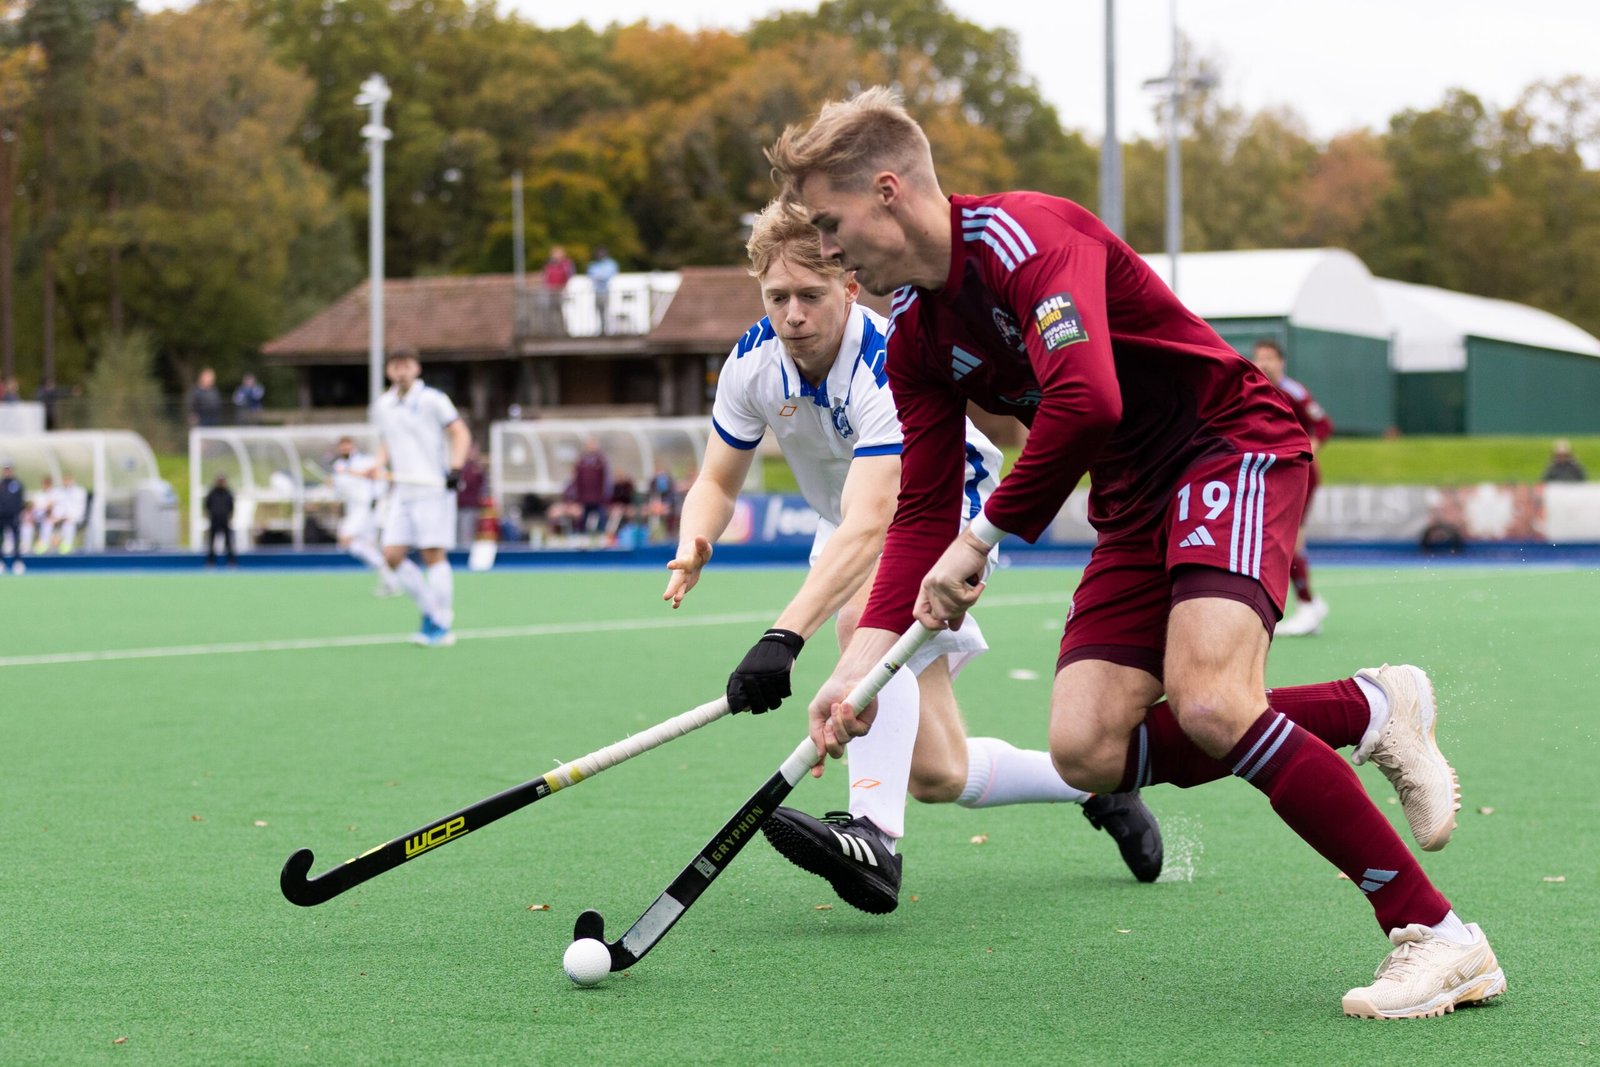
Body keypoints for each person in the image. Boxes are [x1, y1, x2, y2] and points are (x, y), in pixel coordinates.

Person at [772, 87, 1501, 1018]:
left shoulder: (1028, 239)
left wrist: (983, 537)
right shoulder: (917, 337)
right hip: (1133, 504)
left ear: (887, 192)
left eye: (832, 226)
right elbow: (919, 505)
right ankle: (1368, 705)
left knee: (1209, 700)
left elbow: (1088, 401)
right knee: (1087, 748)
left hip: (1223, 446)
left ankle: (1438, 934)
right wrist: (858, 669)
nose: (829, 253)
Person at [662, 199, 1162, 915]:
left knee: (864, 617)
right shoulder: (751, 364)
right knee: (937, 770)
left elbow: (877, 524)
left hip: (941, 505)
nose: (793, 314)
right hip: (849, 524)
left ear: (849, 287)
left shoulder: (882, 360)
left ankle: (873, 836)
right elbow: (716, 478)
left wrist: (783, 636)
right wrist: (695, 535)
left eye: (810, 295)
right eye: (778, 298)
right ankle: (1098, 785)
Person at [373, 347, 472, 647]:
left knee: (432, 555)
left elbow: (460, 433)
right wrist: (376, 466)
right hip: (404, 491)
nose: (400, 371)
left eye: (406, 365)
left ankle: (441, 623)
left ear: (417, 368)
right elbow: (386, 443)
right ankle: (431, 611)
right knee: (391, 556)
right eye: (395, 366)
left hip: (431, 489)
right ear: (389, 371)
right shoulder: (383, 405)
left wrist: (455, 468)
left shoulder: (433, 399)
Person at [1250, 338, 1334, 636]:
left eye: (1270, 358)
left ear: (1281, 362)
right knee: (1285, 540)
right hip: (1276, 472)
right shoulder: (1253, 389)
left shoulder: (1294, 392)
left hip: (1302, 473)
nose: (1264, 363)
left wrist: (1307, 450)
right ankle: (1310, 603)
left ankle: (1308, 607)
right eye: (1259, 357)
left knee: (1289, 541)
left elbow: (1324, 425)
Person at [330, 436, 399, 596]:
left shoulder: (367, 462)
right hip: (352, 509)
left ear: (353, 446)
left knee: (345, 539)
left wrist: (377, 499)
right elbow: (340, 492)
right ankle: (389, 580)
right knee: (367, 546)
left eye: (348, 446)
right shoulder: (338, 466)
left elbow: (381, 479)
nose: (345, 449)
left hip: (366, 508)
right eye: (342, 446)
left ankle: (388, 575)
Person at [568, 437, 612, 540]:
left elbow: (606, 481)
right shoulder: (581, 461)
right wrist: (577, 498)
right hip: (584, 497)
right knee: (583, 519)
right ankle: (583, 537)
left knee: (601, 517)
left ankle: (602, 536)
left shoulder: (601, 461)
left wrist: (605, 497)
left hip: (598, 497)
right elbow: (577, 480)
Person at [454, 445, 488, 547]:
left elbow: (480, 486)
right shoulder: (459, 466)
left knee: (466, 536)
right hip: (457, 506)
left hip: (470, 507)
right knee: (456, 535)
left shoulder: (476, 468)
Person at [49, 471, 88, 553]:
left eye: (68, 480)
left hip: (74, 518)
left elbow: (79, 510)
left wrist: (66, 517)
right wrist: (55, 517)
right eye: (64, 480)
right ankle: (47, 545)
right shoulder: (59, 492)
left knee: (68, 524)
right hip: (61, 518)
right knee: (48, 523)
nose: (66, 482)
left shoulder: (80, 491)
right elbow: (57, 506)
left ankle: (67, 546)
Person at [203, 473, 237, 567]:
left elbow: (231, 506)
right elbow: (207, 505)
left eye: (222, 481)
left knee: (229, 542)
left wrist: (228, 516)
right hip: (214, 521)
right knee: (211, 542)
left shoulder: (228, 493)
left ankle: (231, 562)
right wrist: (211, 515)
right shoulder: (212, 493)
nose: (221, 483)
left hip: (225, 520)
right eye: (219, 481)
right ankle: (210, 562)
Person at [586, 246, 620, 334]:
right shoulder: (593, 264)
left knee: (608, 311)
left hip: (608, 291)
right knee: (599, 311)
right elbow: (591, 276)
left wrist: (599, 277)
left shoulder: (610, 263)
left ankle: (608, 330)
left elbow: (607, 276)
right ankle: (601, 330)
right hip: (597, 292)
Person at [0, 461, 23, 574]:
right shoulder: (1, 484)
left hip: (14, 516)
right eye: (6, 469)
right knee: (1, 539)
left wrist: (18, 513)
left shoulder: (17, 484)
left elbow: (20, 501)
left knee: (15, 539)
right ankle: (1, 562)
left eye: (9, 469)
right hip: (1, 516)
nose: (7, 472)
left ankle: (17, 562)